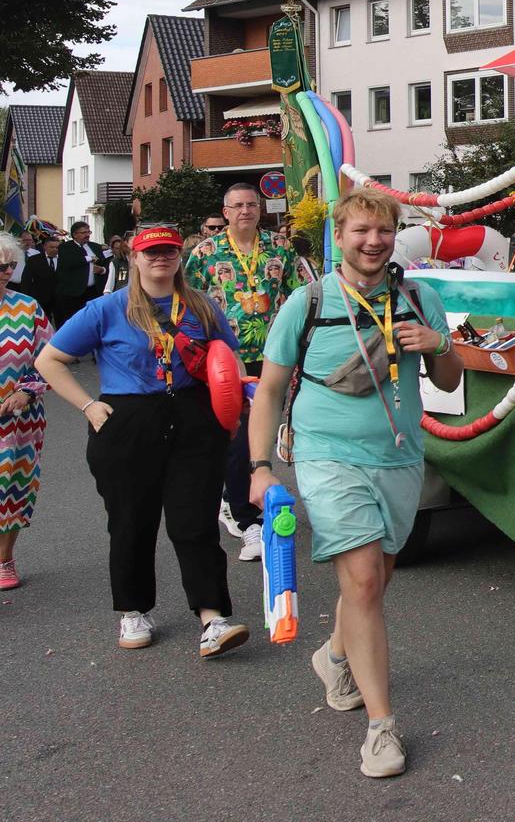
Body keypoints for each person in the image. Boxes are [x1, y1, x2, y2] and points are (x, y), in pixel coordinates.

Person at [248, 189, 460, 779]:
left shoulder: (420, 297)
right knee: (364, 578)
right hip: (326, 455)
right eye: (361, 231)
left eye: (384, 232)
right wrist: (259, 467)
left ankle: (334, 654)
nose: (373, 242)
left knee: (377, 577)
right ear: (338, 237)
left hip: (399, 456)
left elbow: (446, 380)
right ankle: (381, 729)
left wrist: (439, 343)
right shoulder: (308, 301)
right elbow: (268, 390)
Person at [35, 225, 250, 657]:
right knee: (131, 521)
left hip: (193, 417)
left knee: (195, 521)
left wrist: (232, 411)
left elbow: (231, 361)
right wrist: (88, 406)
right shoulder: (107, 309)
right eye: (150, 253)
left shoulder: (202, 306)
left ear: (179, 256)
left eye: (169, 251)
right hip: (127, 420)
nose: (160, 259)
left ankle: (212, 618)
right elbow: (50, 360)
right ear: (133, 258)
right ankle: (133, 610)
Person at [187, 182, 297, 563]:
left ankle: (237, 496)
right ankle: (247, 518)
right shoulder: (205, 252)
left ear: (260, 209)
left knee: (260, 434)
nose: (246, 210)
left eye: (252, 204)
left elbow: (298, 294)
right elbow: (189, 302)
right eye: (238, 206)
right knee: (236, 435)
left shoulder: (280, 248)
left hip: (271, 353)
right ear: (226, 210)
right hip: (226, 357)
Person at [0, 233, 53, 590]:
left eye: (9, 265)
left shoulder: (27, 307)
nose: (4, 271)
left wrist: (27, 390)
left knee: (12, 490)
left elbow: (51, 358)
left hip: (20, 419)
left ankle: (4, 560)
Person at [53, 219, 107, 326]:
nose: (87, 235)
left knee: (92, 321)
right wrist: (89, 258)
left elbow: (105, 263)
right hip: (73, 293)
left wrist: (102, 270)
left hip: (93, 291)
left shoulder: (95, 247)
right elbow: (69, 262)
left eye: (88, 232)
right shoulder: (66, 247)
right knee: (73, 322)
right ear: (75, 235)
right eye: (83, 233)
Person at [19, 233, 61, 315]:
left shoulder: (63, 260)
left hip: (59, 299)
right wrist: (27, 297)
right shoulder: (34, 260)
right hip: (40, 298)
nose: (55, 249)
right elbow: (26, 280)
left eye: (57, 247)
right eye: (52, 247)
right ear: (44, 247)